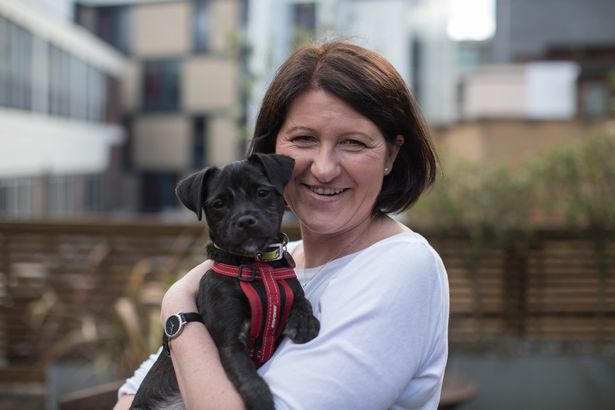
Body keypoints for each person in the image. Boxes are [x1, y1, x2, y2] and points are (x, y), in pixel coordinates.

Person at [114, 38, 449, 410]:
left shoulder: (400, 266)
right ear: (272, 149)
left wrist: (177, 306)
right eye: (304, 138)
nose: (323, 168)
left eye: (353, 142)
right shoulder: (271, 262)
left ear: (391, 153)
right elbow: (134, 394)